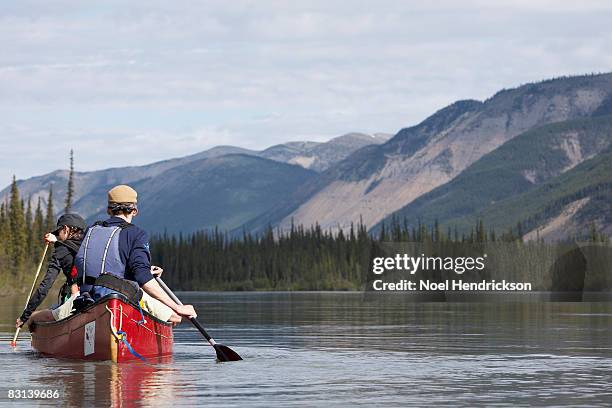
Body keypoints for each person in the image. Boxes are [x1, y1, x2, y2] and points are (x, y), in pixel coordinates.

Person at [74, 184, 196, 323]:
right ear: (134, 210)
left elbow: (101, 264)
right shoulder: (136, 234)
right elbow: (143, 278)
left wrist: (144, 271)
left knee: (48, 316)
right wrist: (177, 307)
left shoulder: (90, 231)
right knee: (175, 318)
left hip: (85, 299)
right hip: (118, 300)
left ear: (108, 210)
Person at [16, 213, 86, 328]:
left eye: (58, 232)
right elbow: (71, 247)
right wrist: (57, 243)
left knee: (33, 318)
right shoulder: (89, 244)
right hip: (94, 296)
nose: (58, 235)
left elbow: (45, 286)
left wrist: (25, 315)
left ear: (66, 229)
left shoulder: (61, 250)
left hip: (77, 299)